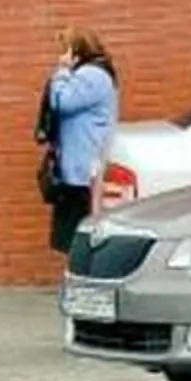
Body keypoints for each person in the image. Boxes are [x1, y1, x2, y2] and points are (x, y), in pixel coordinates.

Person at [36, 29, 119, 258]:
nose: (60, 57)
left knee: (78, 232)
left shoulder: (91, 75)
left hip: (83, 169)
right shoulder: (93, 74)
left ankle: (80, 278)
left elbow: (63, 102)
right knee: (72, 233)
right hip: (79, 165)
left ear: (77, 51)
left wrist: (61, 73)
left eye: (65, 50)